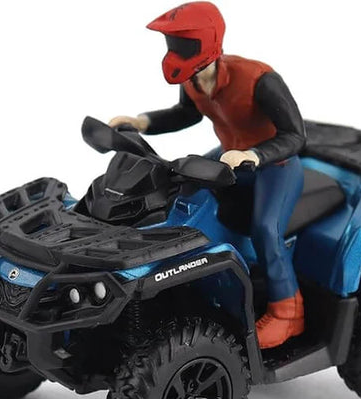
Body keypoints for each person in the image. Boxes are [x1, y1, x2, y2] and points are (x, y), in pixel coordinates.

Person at [108, 2, 306, 349]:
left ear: (207, 45)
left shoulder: (259, 80)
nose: (176, 53)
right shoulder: (192, 79)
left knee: (265, 229)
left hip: (275, 166)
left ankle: (288, 313)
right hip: (232, 158)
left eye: (183, 44)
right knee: (181, 186)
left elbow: (296, 136)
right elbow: (186, 114)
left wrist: (254, 155)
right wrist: (142, 122)